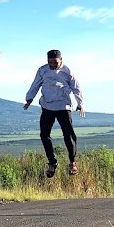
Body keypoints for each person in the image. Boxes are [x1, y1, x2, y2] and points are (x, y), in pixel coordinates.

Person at [23, 49, 84, 178]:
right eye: (50, 62)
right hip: (47, 106)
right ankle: (52, 162)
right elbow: (35, 85)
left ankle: (72, 162)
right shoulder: (42, 70)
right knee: (44, 135)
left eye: (55, 62)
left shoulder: (67, 71)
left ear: (61, 60)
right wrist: (29, 98)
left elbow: (76, 88)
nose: (52, 65)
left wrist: (80, 104)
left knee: (68, 135)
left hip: (63, 105)